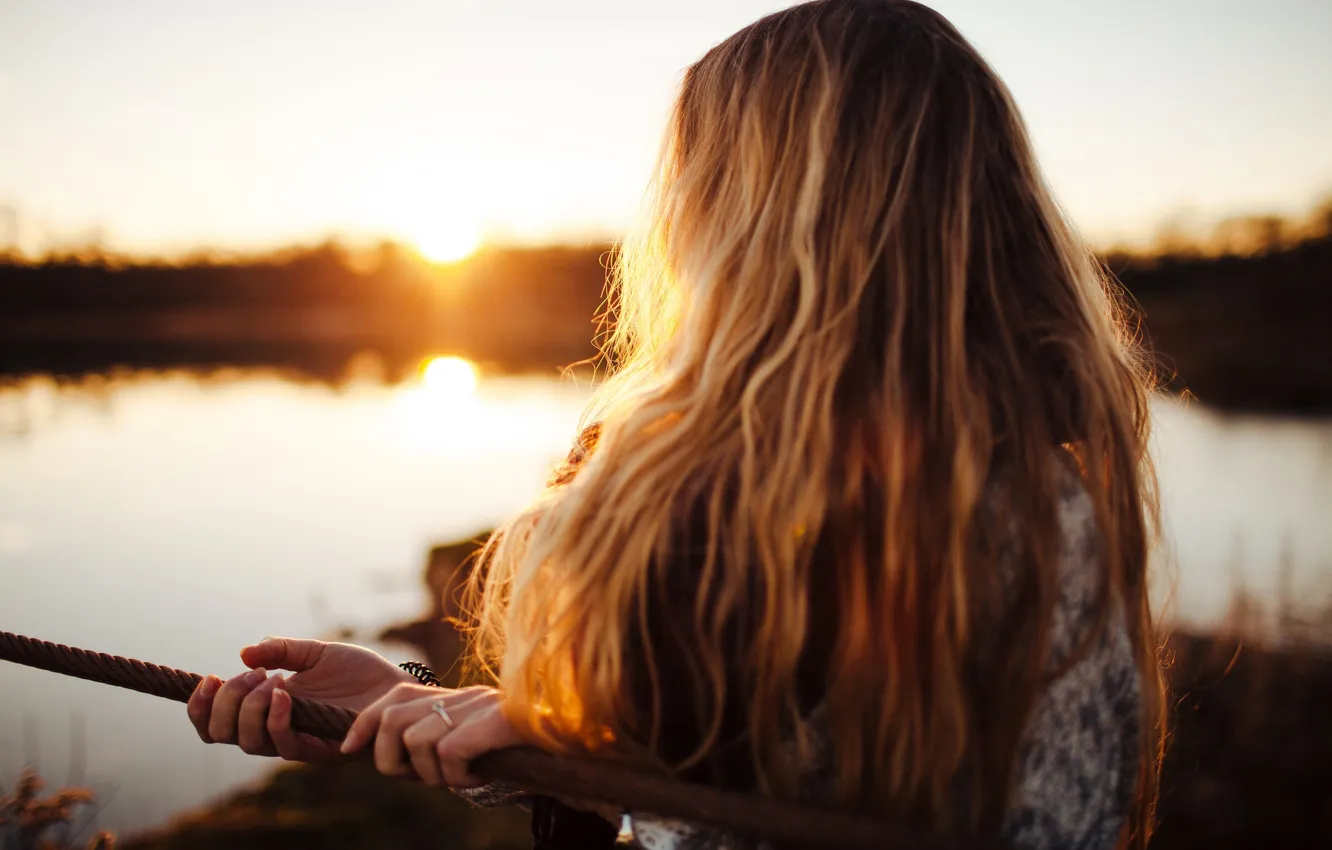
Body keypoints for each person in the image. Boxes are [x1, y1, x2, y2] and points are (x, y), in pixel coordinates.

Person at [185, 1, 1165, 847]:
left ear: (758, 216)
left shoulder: (997, 516)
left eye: (697, 178)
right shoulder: (1008, 484)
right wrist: (409, 704)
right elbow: (700, 779)